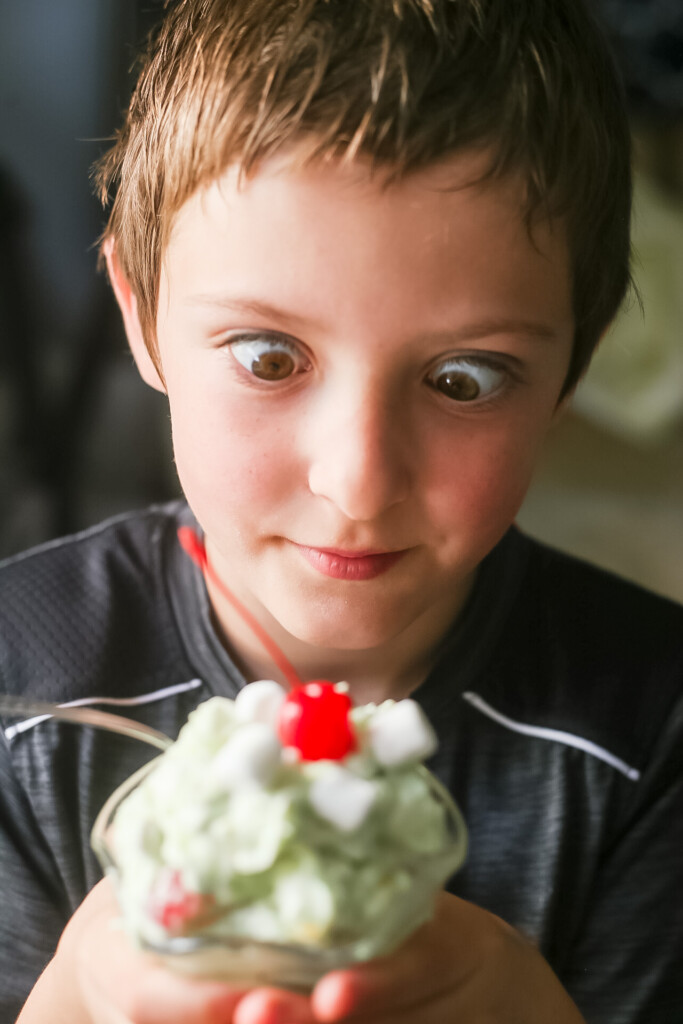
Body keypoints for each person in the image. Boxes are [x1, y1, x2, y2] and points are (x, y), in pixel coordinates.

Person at [1, 0, 682, 1021]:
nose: (358, 483)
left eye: (463, 378)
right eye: (269, 359)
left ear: (568, 372)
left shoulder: (651, 729)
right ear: (141, 317)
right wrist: (72, 997)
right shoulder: (19, 686)